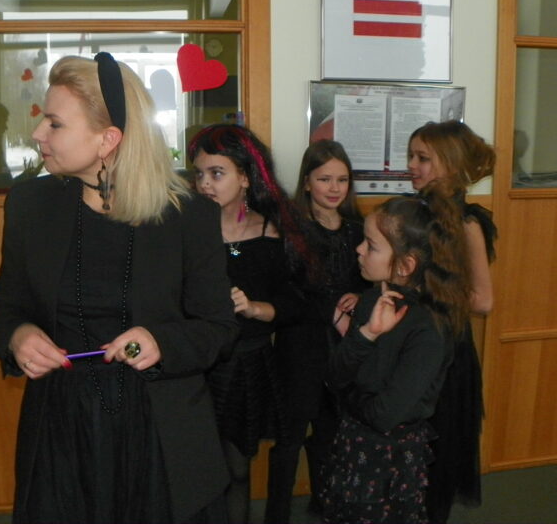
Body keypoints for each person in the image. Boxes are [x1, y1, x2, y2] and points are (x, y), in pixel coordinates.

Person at [0, 53, 238, 524]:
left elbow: (218, 328)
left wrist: (162, 341)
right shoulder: (29, 205)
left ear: (108, 139)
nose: (38, 133)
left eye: (55, 123)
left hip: (161, 434)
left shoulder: (188, 215)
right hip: (61, 431)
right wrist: (18, 336)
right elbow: (6, 306)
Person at [321, 185, 472, 524]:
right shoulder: (372, 300)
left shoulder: (430, 328)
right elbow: (333, 375)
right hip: (352, 444)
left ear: (405, 265)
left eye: (371, 245)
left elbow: (384, 414)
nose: (359, 250)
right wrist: (367, 334)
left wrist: (346, 397)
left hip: (389, 459)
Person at [189, 123, 308, 524]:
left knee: (237, 469)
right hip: (196, 364)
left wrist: (256, 308)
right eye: (199, 174)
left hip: (246, 364)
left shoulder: (272, 231)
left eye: (216, 173)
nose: (205, 184)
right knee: (196, 471)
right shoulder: (187, 230)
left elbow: (296, 303)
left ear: (244, 177)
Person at [264, 139, 369, 523]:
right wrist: (329, 309)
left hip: (342, 346)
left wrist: (360, 296)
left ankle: (324, 505)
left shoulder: (357, 230)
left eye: (342, 179)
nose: (334, 188)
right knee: (290, 437)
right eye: (325, 179)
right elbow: (286, 293)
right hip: (300, 346)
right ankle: (276, 515)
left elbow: (367, 282)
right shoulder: (292, 231)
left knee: (331, 431)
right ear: (307, 182)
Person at [407, 120, 497, 523]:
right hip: (412, 347)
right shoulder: (414, 213)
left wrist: (424, 293)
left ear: (452, 164)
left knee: (438, 460)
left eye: (423, 158)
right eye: (411, 156)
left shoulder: (468, 223)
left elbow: (483, 300)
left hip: (446, 355)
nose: (412, 165)